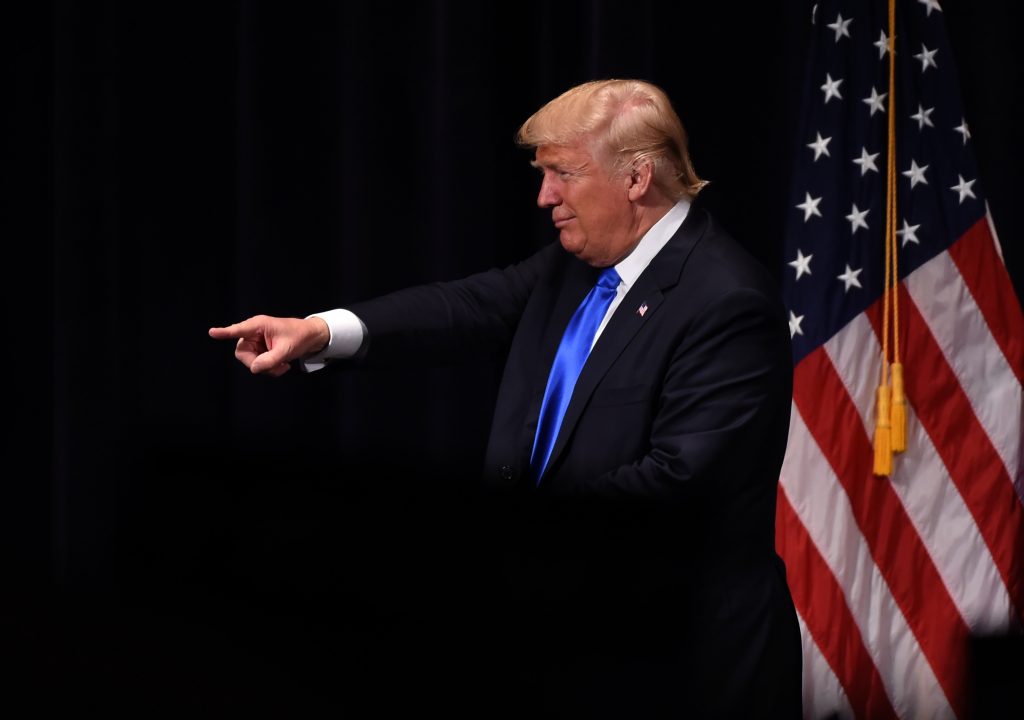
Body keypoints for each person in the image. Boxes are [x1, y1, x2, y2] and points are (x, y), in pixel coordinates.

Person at [210, 79, 801, 717]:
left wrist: (500, 548)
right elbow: (463, 308)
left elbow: (679, 482)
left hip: (683, 663)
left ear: (636, 179)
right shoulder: (576, 265)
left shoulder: (726, 300)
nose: (545, 197)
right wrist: (321, 331)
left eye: (562, 175)